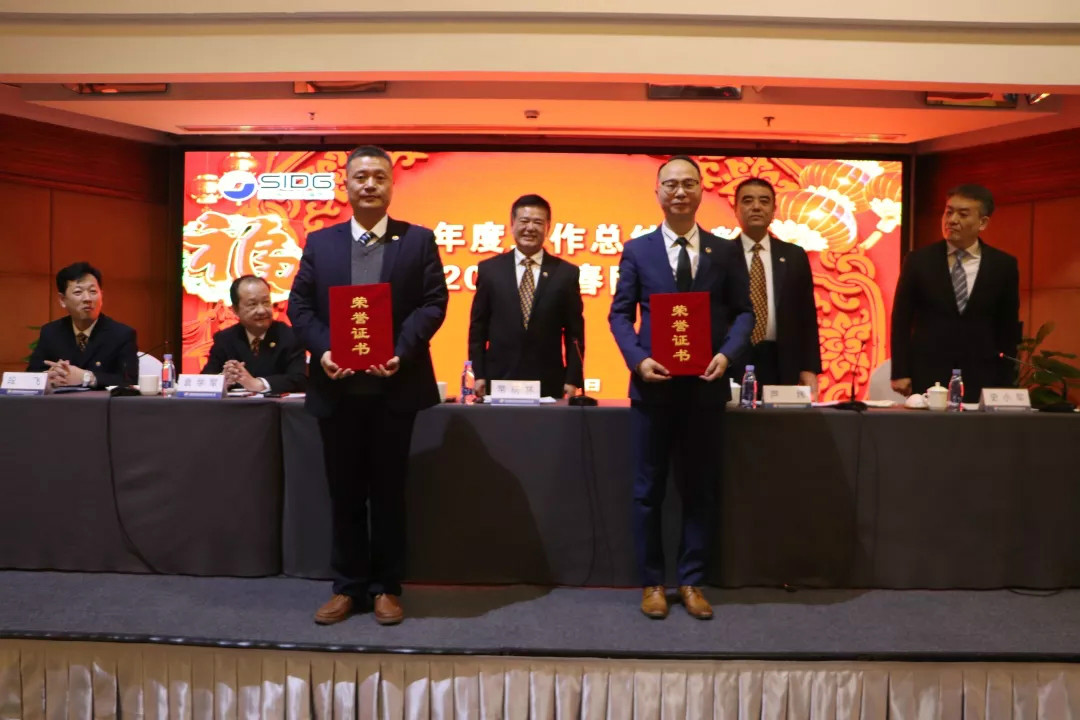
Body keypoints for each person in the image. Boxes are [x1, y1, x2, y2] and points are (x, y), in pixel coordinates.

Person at [287, 145, 448, 626]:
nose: (370, 184)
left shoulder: (417, 241)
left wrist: (401, 349)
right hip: (338, 389)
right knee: (345, 492)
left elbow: (433, 303)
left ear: (392, 185)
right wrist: (325, 350)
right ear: (347, 186)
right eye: (361, 176)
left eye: (379, 176)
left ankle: (386, 588)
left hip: (394, 389)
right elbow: (299, 307)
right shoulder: (321, 243)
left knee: (389, 492)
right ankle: (348, 586)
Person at [608, 156, 754, 620]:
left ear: (701, 191)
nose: (679, 192)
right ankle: (652, 582)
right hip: (653, 389)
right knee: (647, 490)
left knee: (700, 489)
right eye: (670, 184)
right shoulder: (638, 250)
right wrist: (638, 359)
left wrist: (727, 355)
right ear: (657, 192)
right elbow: (619, 314)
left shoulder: (725, 251)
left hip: (705, 388)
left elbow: (744, 312)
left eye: (689, 184)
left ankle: (691, 581)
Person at [891, 184, 1020, 402]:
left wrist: (1007, 381)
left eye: (963, 214)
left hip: (982, 373)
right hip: (928, 370)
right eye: (948, 212)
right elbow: (901, 319)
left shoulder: (1003, 265)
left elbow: (1007, 327)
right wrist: (900, 371)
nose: (952, 220)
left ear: (982, 222)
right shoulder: (918, 261)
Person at [468, 194, 585, 400]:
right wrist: (479, 374)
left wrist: (573, 378)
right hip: (499, 379)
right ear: (512, 224)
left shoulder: (565, 273)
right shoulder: (490, 270)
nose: (530, 228)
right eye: (524, 221)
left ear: (548, 227)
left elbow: (574, 333)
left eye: (538, 222)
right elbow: (478, 328)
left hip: (548, 380)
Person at [729, 178, 821, 395]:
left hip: (782, 360)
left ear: (773, 210)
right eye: (747, 201)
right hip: (733, 358)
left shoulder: (794, 255)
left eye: (764, 201)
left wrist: (809, 367)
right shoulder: (720, 254)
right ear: (736, 209)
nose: (756, 207)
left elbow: (806, 315)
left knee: (781, 416)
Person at [28, 261, 137, 390]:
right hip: (60, 402)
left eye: (93, 291)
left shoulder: (121, 334)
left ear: (101, 296)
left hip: (100, 402)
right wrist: (47, 377)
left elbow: (129, 380)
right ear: (62, 300)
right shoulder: (51, 332)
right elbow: (30, 375)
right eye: (78, 292)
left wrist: (87, 377)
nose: (87, 299)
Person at [201, 275, 307, 394]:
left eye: (266, 302)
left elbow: (299, 379)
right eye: (252, 304)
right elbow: (204, 379)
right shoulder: (225, 339)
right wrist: (222, 380)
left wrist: (259, 384)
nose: (261, 310)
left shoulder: (290, 336)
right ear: (235, 310)